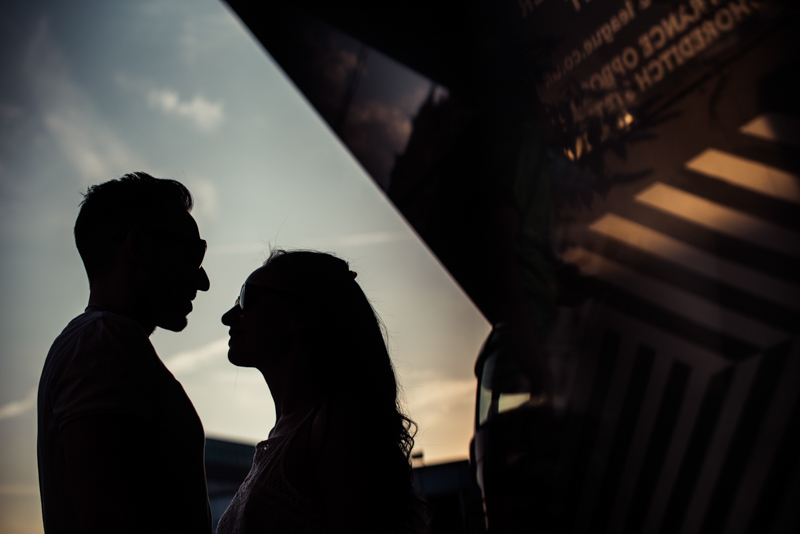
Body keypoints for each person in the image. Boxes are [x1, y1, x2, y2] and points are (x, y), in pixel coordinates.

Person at [37, 172, 213, 534]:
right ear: (139, 248)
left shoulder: (101, 343)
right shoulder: (103, 343)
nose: (203, 280)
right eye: (192, 254)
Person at [218, 250, 427, 534]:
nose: (228, 316)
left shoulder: (335, 425)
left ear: (298, 313)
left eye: (246, 299)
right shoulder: (291, 434)